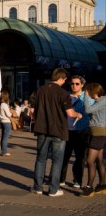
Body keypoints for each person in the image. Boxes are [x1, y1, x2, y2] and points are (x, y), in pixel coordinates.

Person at [30, 68, 82, 197]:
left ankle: (38, 187)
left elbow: (31, 110)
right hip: (58, 130)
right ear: (61, 78)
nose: (65, 82)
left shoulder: (40, 90)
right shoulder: (63, 93)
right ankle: (53, 189)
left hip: (42, 129)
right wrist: (78, 114)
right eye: (65, 80)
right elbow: (70, 113)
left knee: (41, 159)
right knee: (57, 160)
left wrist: (38, 118)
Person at [60, 75, 90, 189]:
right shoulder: (66, 96)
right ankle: (61, 179)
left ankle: (77, 180)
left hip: (82, 130)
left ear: (82, 85)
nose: (74, 86)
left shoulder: (87, 97)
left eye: (77, 83)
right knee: (64, 156)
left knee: (80, 157)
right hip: (68, 130)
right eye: (72, 83)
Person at [80, 82, 106, 197]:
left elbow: (88, 110)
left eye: (88, 91)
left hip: (99, 134)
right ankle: (102, 186)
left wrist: (85, 97)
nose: (87, 93)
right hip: (97, 133)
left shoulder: (102, 101)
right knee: (99, 160)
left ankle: (89, 188)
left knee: (90, 161)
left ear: (93, 91)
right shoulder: (100, 101)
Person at [0, 90, 13, 156]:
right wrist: (11, 112)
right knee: (5, 137)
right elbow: (9, 114)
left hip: (2, 121)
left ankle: (3, 150)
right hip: (7, 122)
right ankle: (4, 152)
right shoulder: (4, 105)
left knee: (3, 137)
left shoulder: (1, 104)